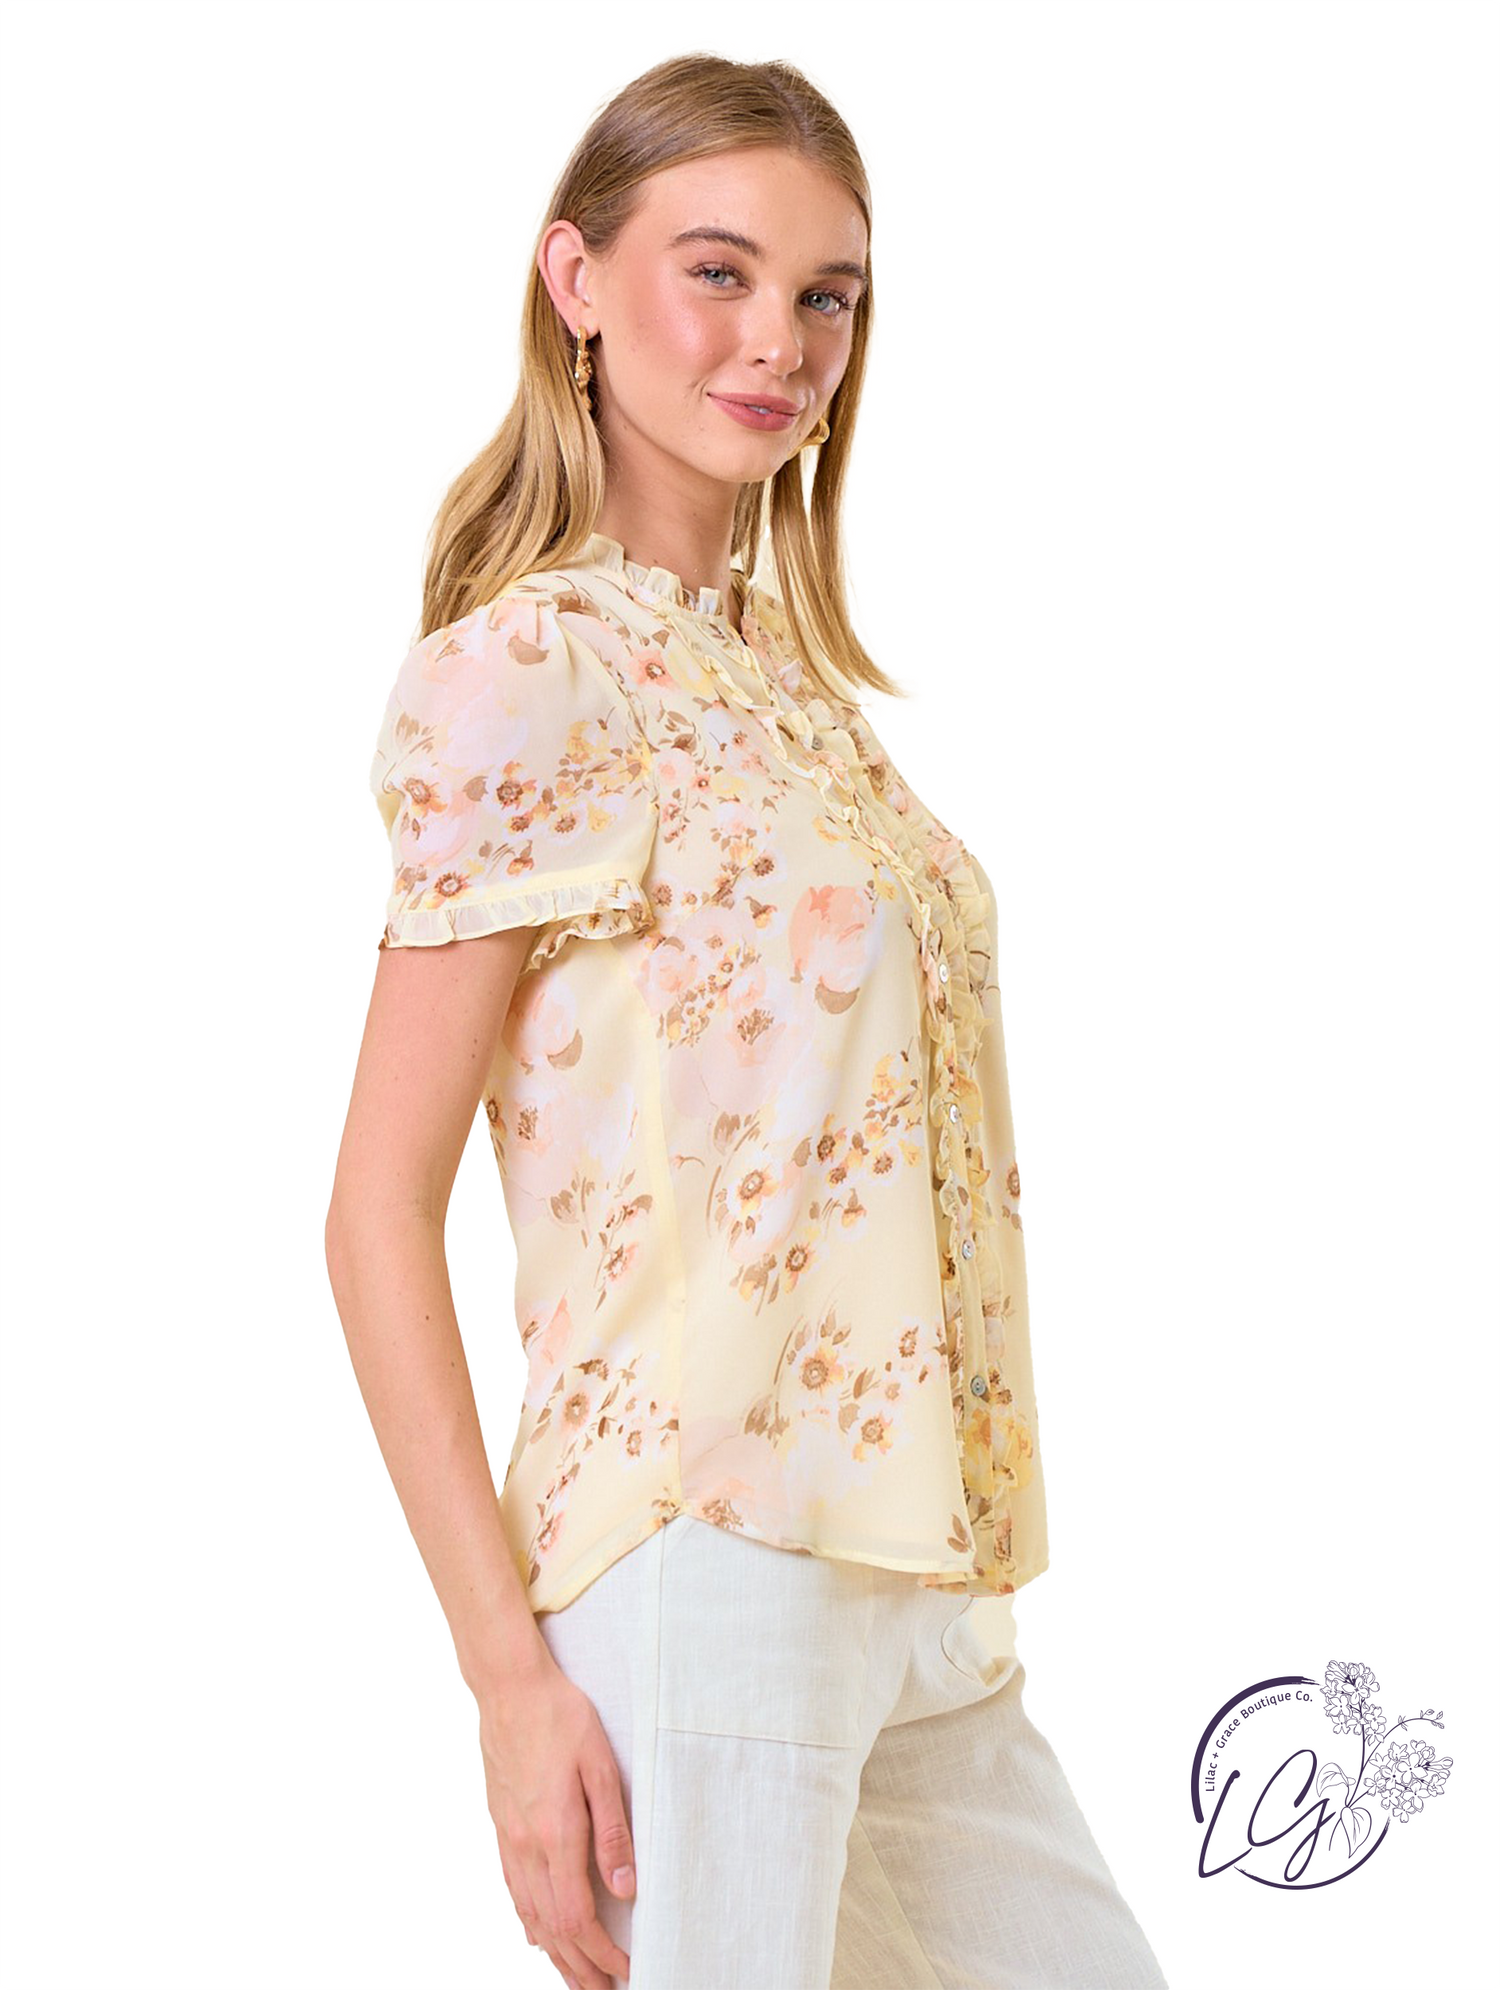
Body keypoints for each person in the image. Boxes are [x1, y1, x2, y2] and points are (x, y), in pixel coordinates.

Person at [326, 52, 1170, 1990]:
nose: (780, 340)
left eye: (825, 294)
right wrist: (506, 1682)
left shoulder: (781, 687)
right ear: (577, 280)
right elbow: (373, 1210)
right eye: (718, 271)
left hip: (920, 1580)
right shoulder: (530, 668)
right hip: (701, 1550)